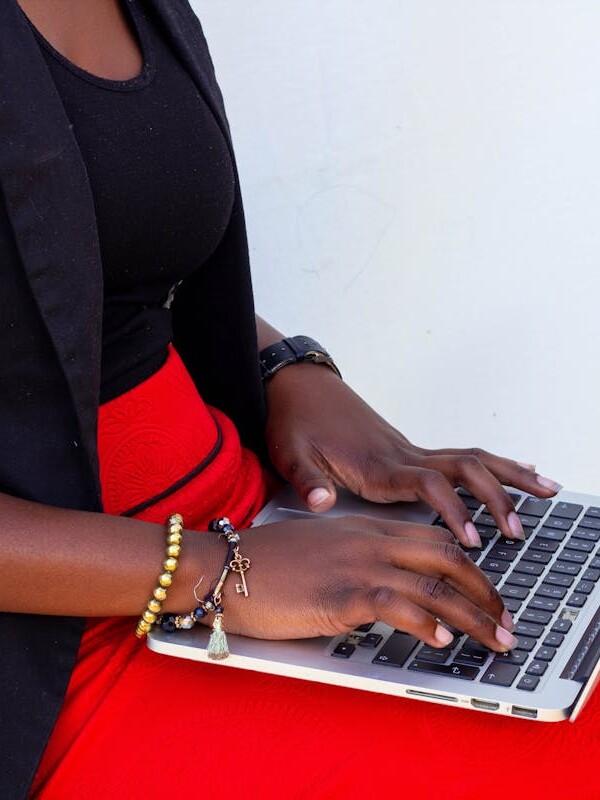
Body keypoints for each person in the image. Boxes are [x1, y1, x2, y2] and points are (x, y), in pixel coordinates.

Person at [0, 1, 597, 798]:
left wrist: (290, 370)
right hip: (62, 646)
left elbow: (102, 281)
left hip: (250, 528)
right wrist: (214, 575)